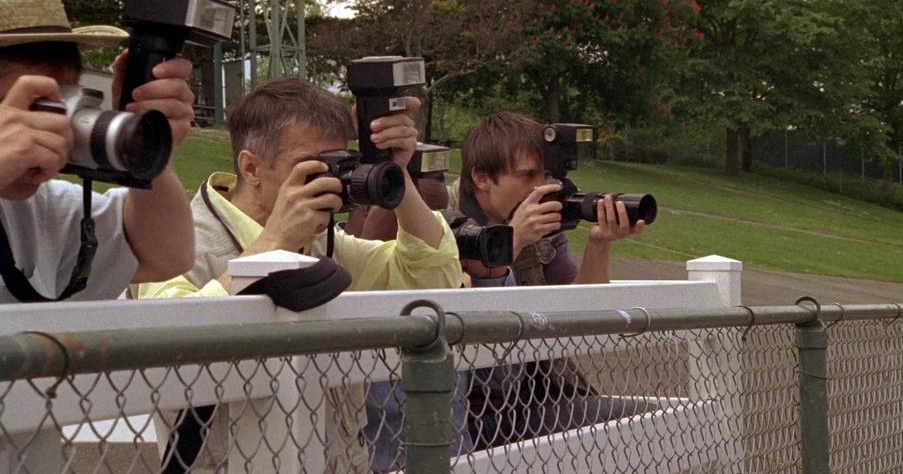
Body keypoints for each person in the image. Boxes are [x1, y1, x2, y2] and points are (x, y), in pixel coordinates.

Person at [135, 78, 462, 473]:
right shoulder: (182, 243)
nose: (333, 180)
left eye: (341, 164)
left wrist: (395, 171)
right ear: (251, 167)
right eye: (314, 167)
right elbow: (161, 351)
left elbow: (432, 279)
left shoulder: (326, 246)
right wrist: (273, 243)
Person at [0, 0, 196, 304]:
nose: (54, 125)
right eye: (33, 105)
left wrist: (147, 147)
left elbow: (165, 255)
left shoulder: (39, 209)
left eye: (65, 102)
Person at [455, 111, 647, 448]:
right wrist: (512, 239)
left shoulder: (542, 229)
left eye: (544, 175)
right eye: (527, 176)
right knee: (637, 425)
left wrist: (600, 241)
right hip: (474, 409)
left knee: (645, 423)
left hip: (537, 396)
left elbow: (584, 314)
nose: (540, 188)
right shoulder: (448, 219)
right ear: (482, 178)